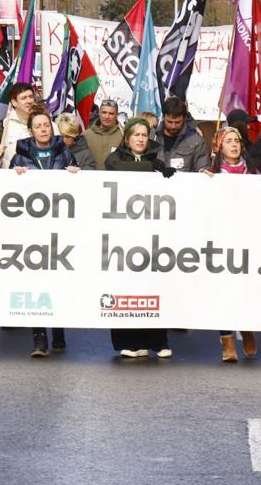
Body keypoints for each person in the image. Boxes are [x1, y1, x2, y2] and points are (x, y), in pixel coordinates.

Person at [11, 106, 79, 357]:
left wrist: (75, 173)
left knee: (57, 281)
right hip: (32, 230)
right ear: (30, 131)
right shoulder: (20, 156)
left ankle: (58, 330)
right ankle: (39, 337)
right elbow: (9, 194)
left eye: (46, 125)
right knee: (35, 282)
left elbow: (79, 188)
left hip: (59, 230)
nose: (43, 129)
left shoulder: (65, 152)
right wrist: (13, 176)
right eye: (38, 126)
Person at [104, 117, 175, 358]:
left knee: (153, 285)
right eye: (136, 135)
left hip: (150, 232)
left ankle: (157, 341)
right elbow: (114, 168)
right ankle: (129, 341)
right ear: (127, 138)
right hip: (123, 232)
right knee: (125, 286)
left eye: (145, 135)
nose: (141, 139)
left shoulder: (157, 158)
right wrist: (152, 169)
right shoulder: (116, 158)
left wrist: (159, 169)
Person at [201, 126, 259, 362]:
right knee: (222, 289)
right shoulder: (211, 172)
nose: (234, 145)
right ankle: (226, 339)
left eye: (237, 141)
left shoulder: (253, 171)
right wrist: (203, 182)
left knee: (244, 288)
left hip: (247, 238)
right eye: (228, 141)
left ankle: (246, 327)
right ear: (219, 146)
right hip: (221, 238)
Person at [0, 81, 36, 169]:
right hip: (11, 181)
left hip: (40, 180)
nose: (29, 101)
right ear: (14, 102)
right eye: (24, 98)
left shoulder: (47, 125)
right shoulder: (1, 127)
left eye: (31, 97)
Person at [156, 96, 211, 173]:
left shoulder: (196, 141)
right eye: (169, 122)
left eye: (177, 122)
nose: (173, 126)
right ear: (163, 117)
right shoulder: (152, 136)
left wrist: (203, 171)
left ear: (185, 118)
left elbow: (203, 167)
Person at [84, 99, 124, 170]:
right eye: (104, 112)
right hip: (91, 179)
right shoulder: (86, 135)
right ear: (99, 113)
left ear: (117, 115)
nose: (107, 116)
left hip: (116, 180)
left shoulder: (124, 135)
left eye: (111, 113)